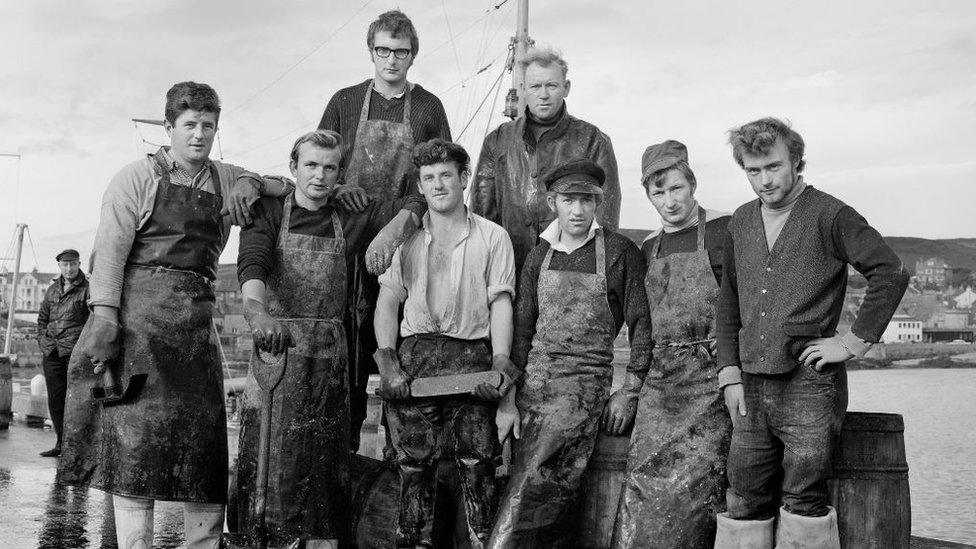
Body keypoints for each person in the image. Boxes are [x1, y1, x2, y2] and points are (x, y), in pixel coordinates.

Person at [57, 81, 291, 549]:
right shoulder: (134, 179)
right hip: (136, 324)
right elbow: (108, 257)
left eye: (209, 125)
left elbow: (285, 186)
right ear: (169, 128)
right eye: (189, 125)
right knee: (134, 445)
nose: (200, 135)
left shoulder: (224, 176)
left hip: (196, 326)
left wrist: (252, 181)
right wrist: (105, 319)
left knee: (204, 449)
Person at [713, 118, 909, 548]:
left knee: (804, 498)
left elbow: (890, 270)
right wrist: (729, 371)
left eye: (773, 167)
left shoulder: (830, 214)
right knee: (742, 497)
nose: (764, 180)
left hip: (809, 384)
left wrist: (851, 343)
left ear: (796, 161)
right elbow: (728, 300)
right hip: (749, 383)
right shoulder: (741, 221)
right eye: (753, 170)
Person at [230, 130, 426, 548]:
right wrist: (257, 311)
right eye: (311, 166)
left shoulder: (351, 213)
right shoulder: (267, 210)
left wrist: (395, 228)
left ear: (340, 173)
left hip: (330, 360)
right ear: (293, 168)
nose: (319, 176)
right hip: (275, 354)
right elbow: (253, 264)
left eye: (330, 168)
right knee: (269, 465)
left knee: (323, 471)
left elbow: (416, 200)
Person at [489, 159, 652, 548]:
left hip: (580, 391)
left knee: (530, 488)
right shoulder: (538, 254)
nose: (577, 210)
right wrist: (508, 398)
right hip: (531, 388)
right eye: (568, 200)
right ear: (552, 201)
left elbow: (643, 326)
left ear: (598, 202)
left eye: (586, 200)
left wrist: (629, 390)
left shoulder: (619, 252)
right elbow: (522, 332)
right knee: (530, 484)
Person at [318, 9, 452, 450]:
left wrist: (403, 219)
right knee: (347, 350)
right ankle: (344, 453)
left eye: (401, 52)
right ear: (371, 52)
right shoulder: (345, 101)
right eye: (383, 51)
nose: (391, 60)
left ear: (413, 56)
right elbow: (318, 161)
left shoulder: (429, 107)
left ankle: (401, 456)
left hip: (407, 237)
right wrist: (340, 189)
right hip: (348, 236)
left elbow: (439, 174)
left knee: (403, 345)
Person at [374, 139, 518, 548]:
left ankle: (479, 543)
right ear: (420, 186)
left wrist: (501, 361)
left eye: (446, 176)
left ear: (464, 178)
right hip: (415, 359)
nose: (438, 185)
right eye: (429, 178)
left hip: (472, 356)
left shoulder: (493, 237)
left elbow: (501, 302)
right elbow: (387, 302)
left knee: (479, 468)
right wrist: (387, 361)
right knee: (412, 469)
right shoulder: (407, 240)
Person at [611, 140, 732, 548]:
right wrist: (631, 388)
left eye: (676, 188)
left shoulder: (725, 229)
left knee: (698, 493)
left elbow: (747, 302)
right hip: (661, 384)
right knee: (641, 484)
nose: (669, 201)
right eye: (658, 192)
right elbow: (642, 323)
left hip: (711, 380)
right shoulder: (649, 246)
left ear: (692, 183)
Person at [470, 45, 620, 275]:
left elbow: (606, 216)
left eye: (551, 85)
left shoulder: (593, 140)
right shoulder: (497, 140)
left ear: (566, 87)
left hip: (573, 274)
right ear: (523, 88)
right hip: (510, 272)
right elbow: (482, 216)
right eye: (535, 86)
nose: (543, 94)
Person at [36, 248, 90, 458]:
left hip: (74, 353)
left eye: (73, 264)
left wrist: (81, 347)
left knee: (77, 399)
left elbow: (92, 319)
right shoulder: (52, 290)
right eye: (65, 265)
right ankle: (60, 443)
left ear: (79, 264)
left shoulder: (87, 288)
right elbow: (42, 319)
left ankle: (78, 447)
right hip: (51, 352)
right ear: (59, 266)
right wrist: (43, 341)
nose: (69, 268)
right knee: (55, 399)